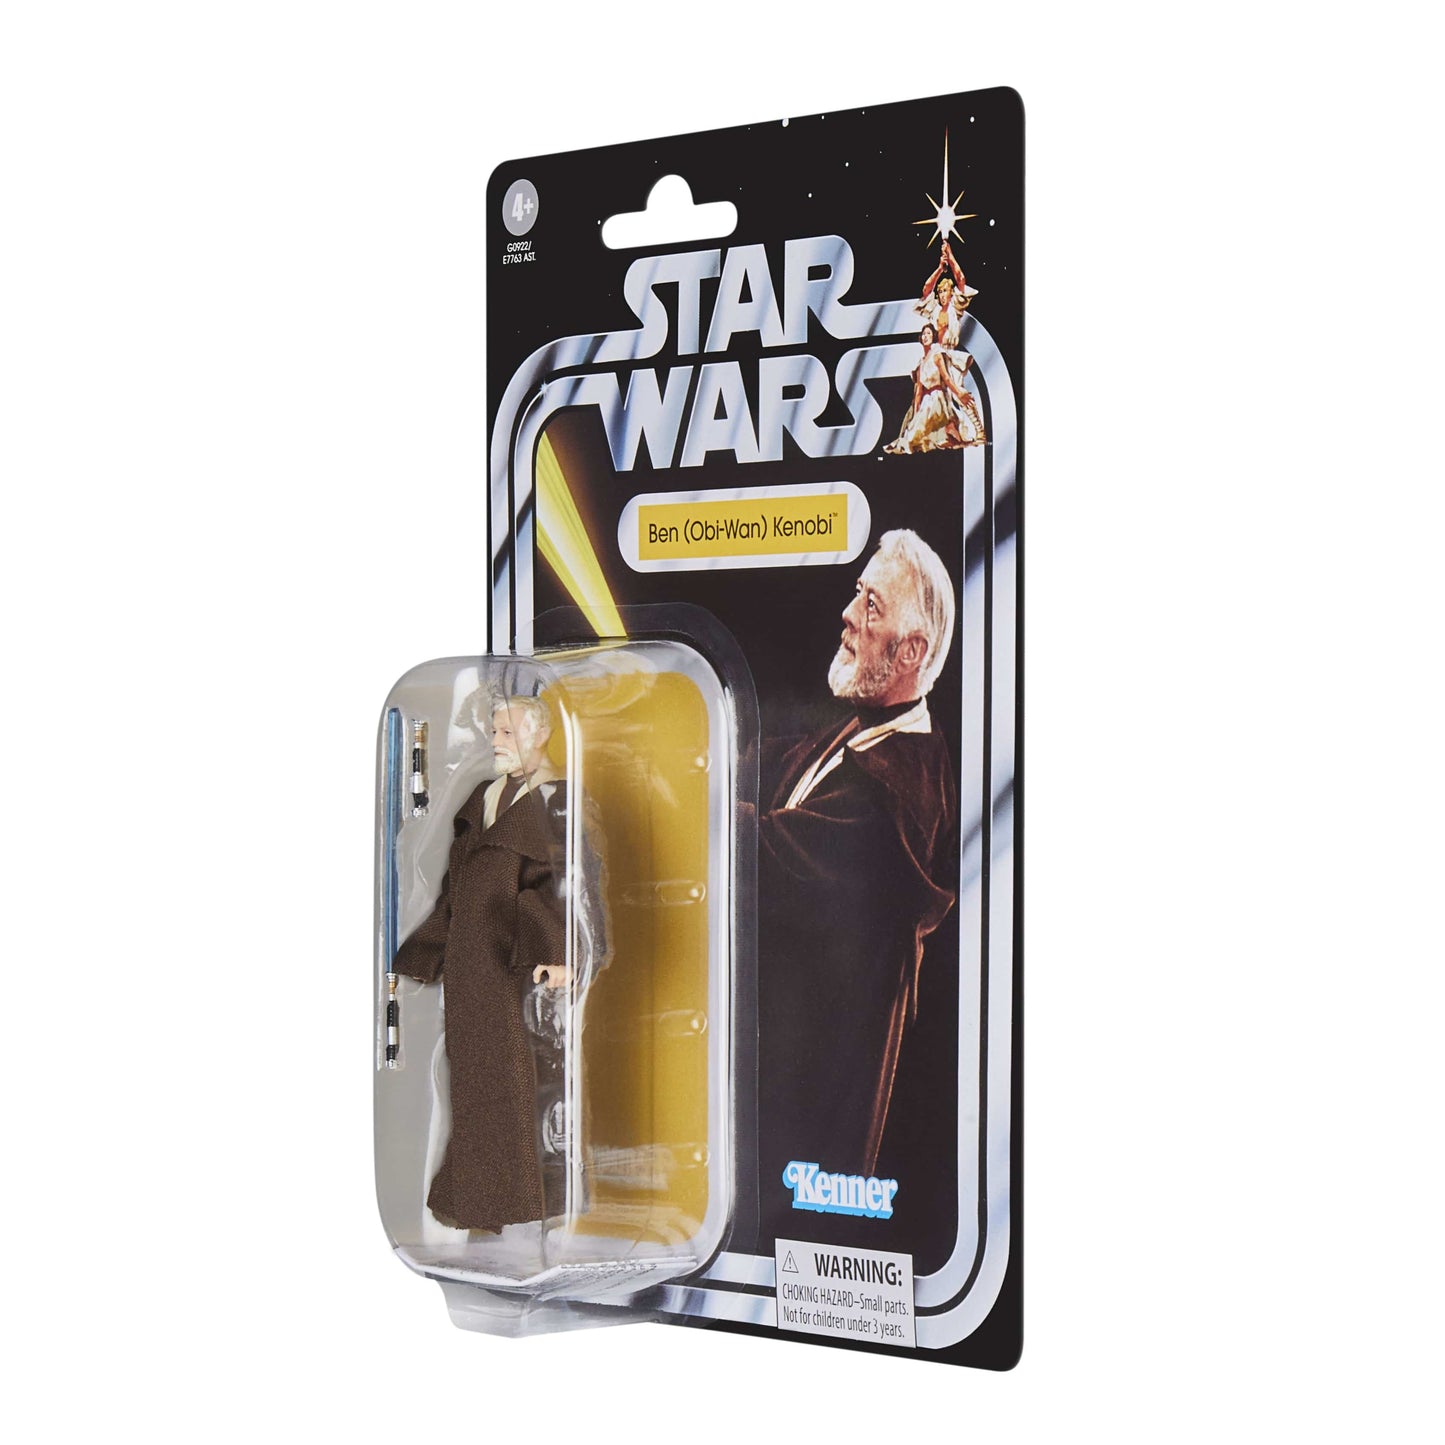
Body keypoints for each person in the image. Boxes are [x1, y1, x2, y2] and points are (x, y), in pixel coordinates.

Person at [756, 530, 959, 1187]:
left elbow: (764, 855)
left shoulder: (896, 795)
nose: (847, 615)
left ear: (911, 651)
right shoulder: (871, 723)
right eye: (857, 593)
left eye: (871, 606)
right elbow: (773, 763)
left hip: (809, 1112)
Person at [393, 695, 604, 1232]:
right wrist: (427, 950)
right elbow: (456, 887)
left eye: (507, 732)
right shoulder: (486, 797)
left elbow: (570, 888)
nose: (495, 742)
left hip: (517, 969)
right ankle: (476, 1199)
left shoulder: (558, 802)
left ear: (539, 735)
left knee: (516, 1085)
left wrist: (564, 956)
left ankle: (523, 1200)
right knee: (472, 1085)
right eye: (493, 732)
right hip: (471, 969)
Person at [885, 322, 986, 453]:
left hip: (939, 398)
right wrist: (915, 415)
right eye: (923, 334)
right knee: (913, 437)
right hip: (926, 402)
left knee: (940, 429)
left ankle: (971, 433)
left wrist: (958, 392)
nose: (925, 336)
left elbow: (946, 378)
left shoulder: (937, 354)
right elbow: (918, 391)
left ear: (933, 336)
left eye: (928, 333)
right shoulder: (921, 363)